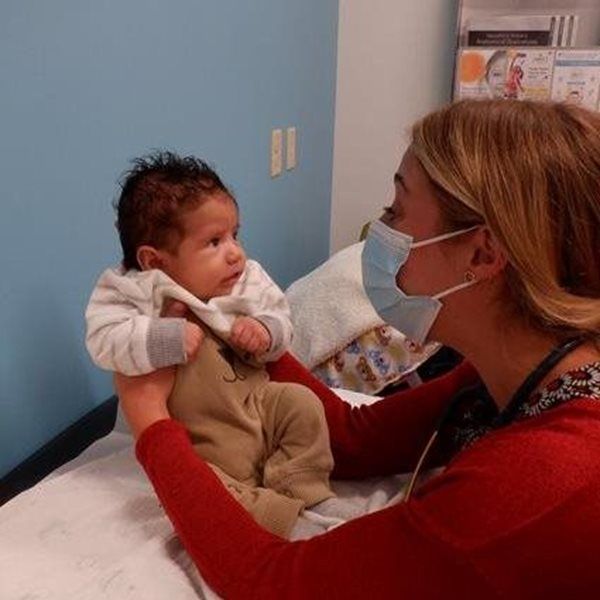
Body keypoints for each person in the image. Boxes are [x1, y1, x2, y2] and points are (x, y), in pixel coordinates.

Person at [115, 100, 600, 598]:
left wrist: (150, 419)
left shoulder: (546, 480)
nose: (382, 229)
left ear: (482, 253)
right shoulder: (520, 369)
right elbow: (355, 439)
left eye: (396, 209)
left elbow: (268, 582)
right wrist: (247, 329)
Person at [86, 152, 343, 539]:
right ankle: (273, 517)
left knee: (301, 403)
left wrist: (265, 330)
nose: (235, 251)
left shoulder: (245, 278)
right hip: (199, 435)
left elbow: (282, 316)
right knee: (206, 485)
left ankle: (300, 488)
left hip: (258, 404)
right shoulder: (135, 290)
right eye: (214, 241)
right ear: (155, 262)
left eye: (235, 235)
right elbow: (103, 340)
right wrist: (163, 337)